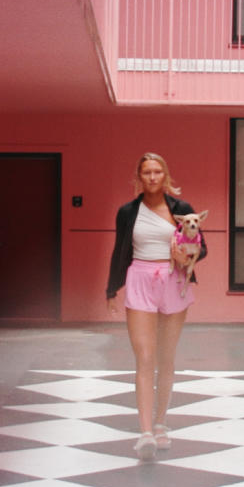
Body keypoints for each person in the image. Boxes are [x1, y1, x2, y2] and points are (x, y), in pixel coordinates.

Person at [106, 152, 206, 461]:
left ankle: (161, 423)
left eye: (157, 172)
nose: (152, 178)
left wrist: (184, 259)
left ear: (165, 176)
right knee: (145, 357)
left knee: (166, 356)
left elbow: (201, 249)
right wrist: (112, 287)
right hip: (139, 279)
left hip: (173, 281)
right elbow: (119, 249)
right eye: (146, 172)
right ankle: (146, 432)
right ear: (139, 177)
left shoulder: (182, 210)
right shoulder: (127, 212)